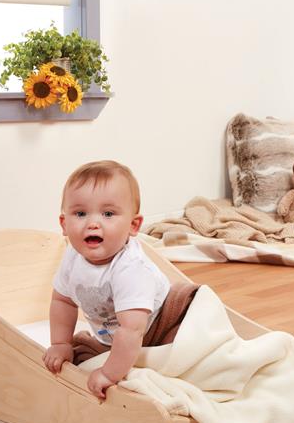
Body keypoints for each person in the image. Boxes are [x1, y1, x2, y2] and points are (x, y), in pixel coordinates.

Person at [42, 160, 197, 400]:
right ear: (64, 224)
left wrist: (109, 374)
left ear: (133, 225)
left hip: (161, 326)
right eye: (80, 213)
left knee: (185, 355)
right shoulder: (72, 256)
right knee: (82, 350)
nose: (93, 223)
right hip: (115, 335)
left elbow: (132, 330)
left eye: (108, 214)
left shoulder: (130, 268)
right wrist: (60, 343)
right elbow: (63, 301)